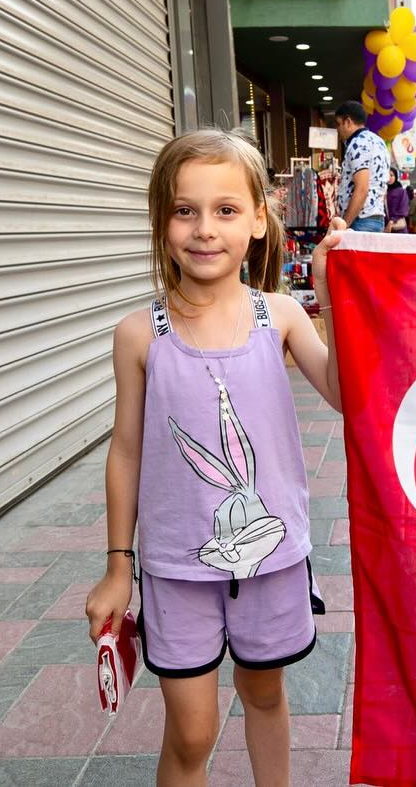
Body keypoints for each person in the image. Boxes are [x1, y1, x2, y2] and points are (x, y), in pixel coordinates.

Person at [85, 129, 344, 787]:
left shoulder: (280, 316)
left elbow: (345, 394)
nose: (205, 228)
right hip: (176, 567)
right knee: (193, 727)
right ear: (161, 221)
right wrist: (119, 568)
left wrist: (331, 292)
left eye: (226, 210)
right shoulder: (139, 333)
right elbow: (125, 450)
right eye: (184, 209)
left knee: (263, 695)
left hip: (272, 556)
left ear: (259, 219)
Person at [334, 101, 390, 232]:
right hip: (375, 217)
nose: (337, 129)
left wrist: (345, 224)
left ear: (348, 122)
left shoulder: (357, 143)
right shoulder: (379, 142)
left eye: (338, 124)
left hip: (360, 220)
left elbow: (362, 188)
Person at [386, 167, 410, 232]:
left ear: (396, 177)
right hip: (384, 226)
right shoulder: (382, 191)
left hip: (398, 226)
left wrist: (392, 220)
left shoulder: (401, 191)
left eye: (391, 175)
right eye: (387, 175)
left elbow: (403, 209)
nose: (389, 178)